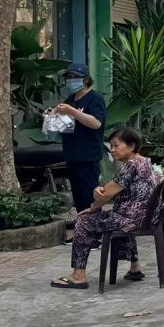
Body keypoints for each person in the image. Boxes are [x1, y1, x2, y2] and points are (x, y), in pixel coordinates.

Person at [51, 126, 156, 291]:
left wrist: (94, 202)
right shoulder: (145, 162)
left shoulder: (131, 165)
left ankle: (78, 276)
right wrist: (101, 197)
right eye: (111, 146)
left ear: (131, 146)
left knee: (84, 221)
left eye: (117, 145)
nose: (112, 150)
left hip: (132, 219)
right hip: (146, 217)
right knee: (116, 215)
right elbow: (114, 191)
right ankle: (135, 267)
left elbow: (105, 194)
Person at [53, 62, 106, 216]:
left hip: (88, 157)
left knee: (89, 196)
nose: (71, 80)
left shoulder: (95, 98)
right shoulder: (70, 99)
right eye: (68, 77)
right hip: (72, 155)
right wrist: (52, 117)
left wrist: (73, 111)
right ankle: (82, 225)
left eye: (74, 77)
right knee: (78, 197)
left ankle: (93, 227)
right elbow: (65, 127)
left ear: (85, 79)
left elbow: (96, 123)